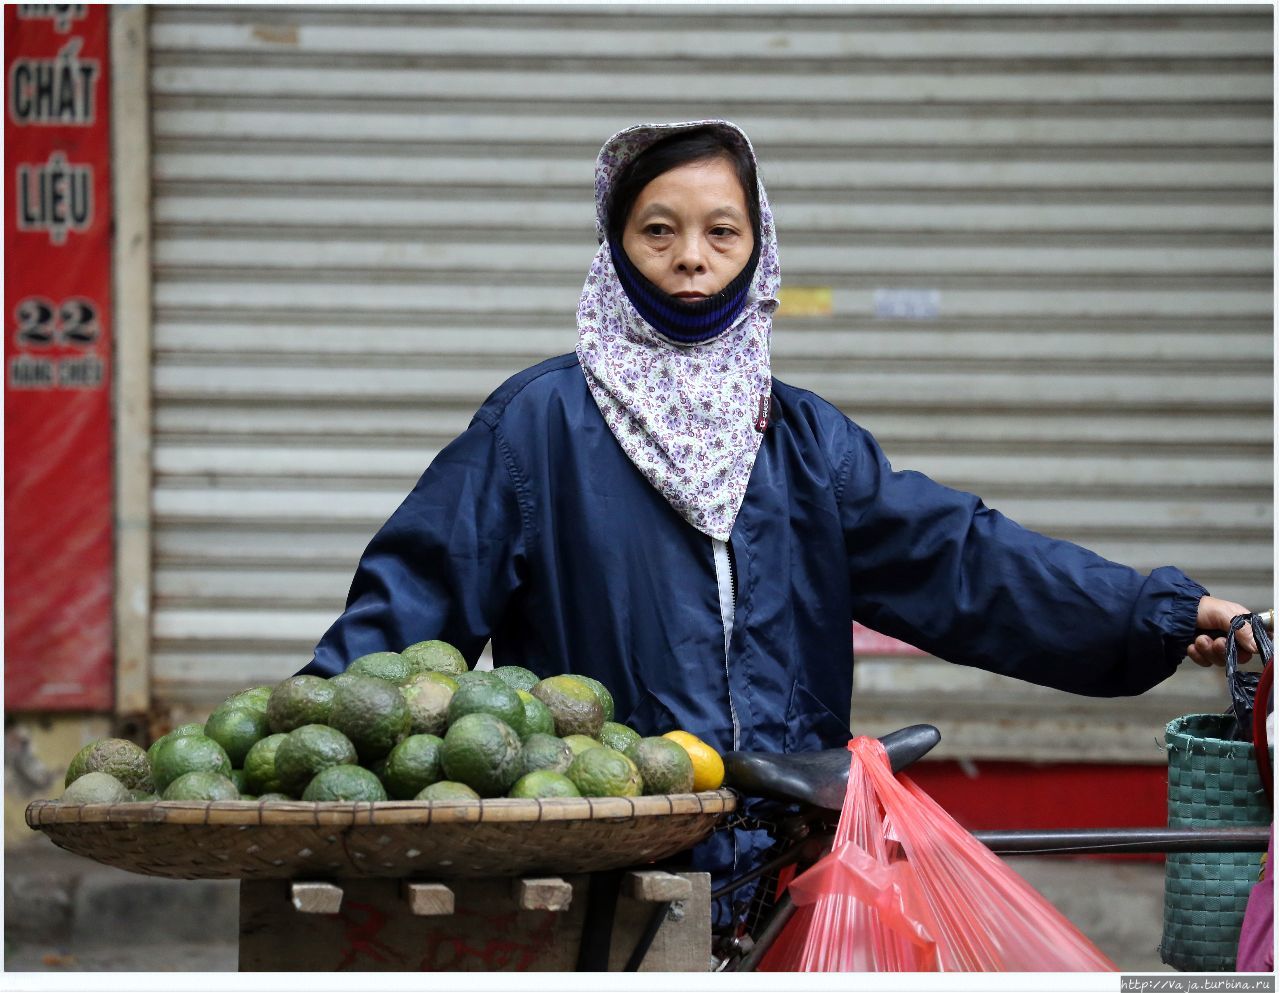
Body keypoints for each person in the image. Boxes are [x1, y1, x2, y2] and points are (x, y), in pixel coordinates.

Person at [299, 120, 1256, 924]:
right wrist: (299, 756)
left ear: (759, 245)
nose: (691, 258)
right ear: (613, 243)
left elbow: (965, 562)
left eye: (723, 230)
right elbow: (410, 615)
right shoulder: (536, 427)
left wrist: (1159, 612)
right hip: (604, 867)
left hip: (786, 863)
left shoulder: (804, 440)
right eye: (657, 230)